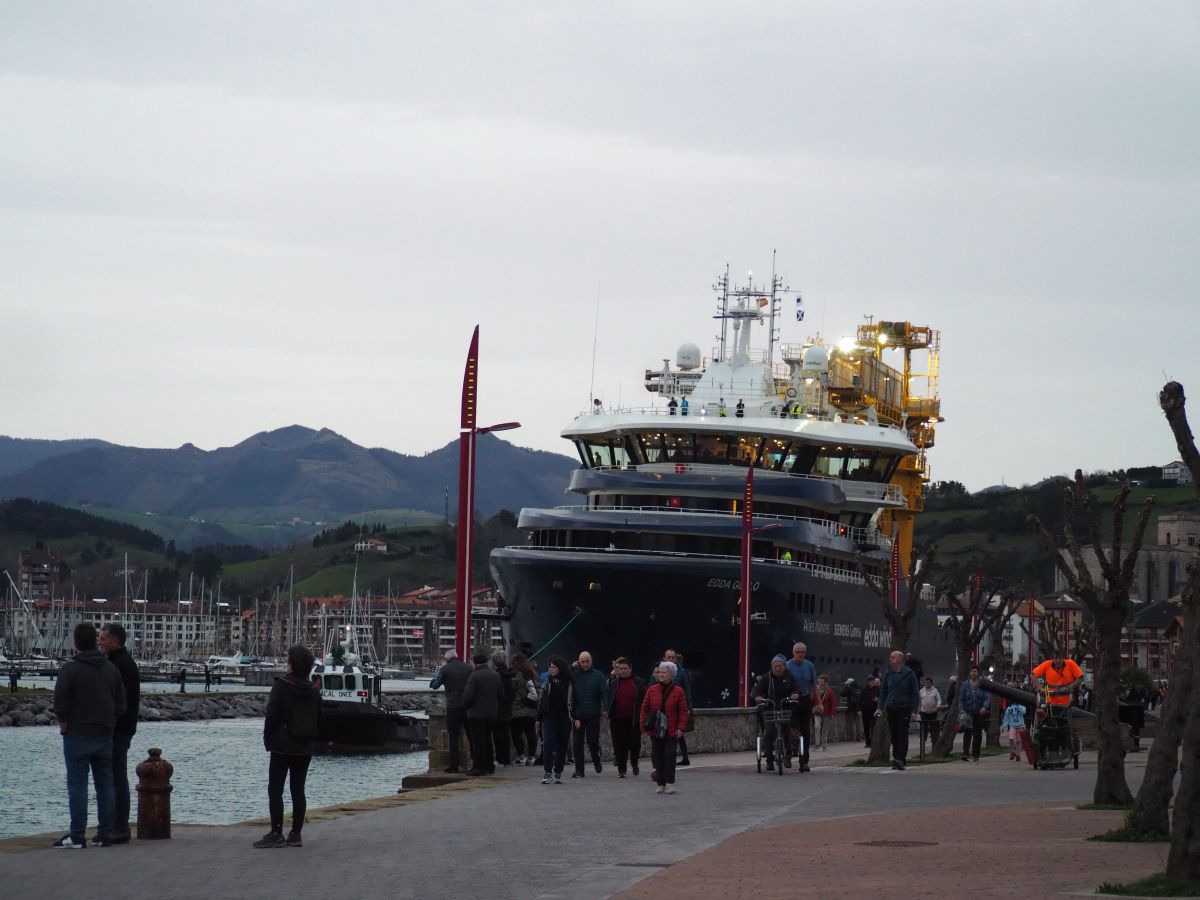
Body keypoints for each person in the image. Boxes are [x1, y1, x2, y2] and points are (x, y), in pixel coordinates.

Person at [52, 622, 126, 849]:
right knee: (105, 785)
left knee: (78, 785)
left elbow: (61, 701)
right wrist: (110, 723)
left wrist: (64, 724)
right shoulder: (111, 669)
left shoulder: (70, 669)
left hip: (77, 734)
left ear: (76, 643)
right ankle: (105, 833)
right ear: (95, 641)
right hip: (104, 735)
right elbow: (121, 704)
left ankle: (77, 835)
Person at [254, 644, 320, 848]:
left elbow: (272, 714)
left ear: (291, 664)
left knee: (275, 789)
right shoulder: (314, 690)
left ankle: (276, 832)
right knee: (298, 790)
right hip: (304, 746)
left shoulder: (282, 686)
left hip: (282, 745)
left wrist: (268, 739)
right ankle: (296, 834)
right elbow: (320, 718)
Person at [99, 623, 140, 844]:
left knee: (117, 777)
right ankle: (116, 823)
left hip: (118, 729)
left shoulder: (119, 665)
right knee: (115, 776)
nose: (100, 642)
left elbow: (118, 700)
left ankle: (120, 825)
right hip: (123, 727)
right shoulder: (123, 662)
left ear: (115, 641)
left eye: (103, 638)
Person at [641, 660, 689, 794]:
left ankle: (669, 783)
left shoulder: (678, 691)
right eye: (660, 672)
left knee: (670, 755)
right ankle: (660, 783)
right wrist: (643, 726)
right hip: (656, 730)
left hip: (671, 730)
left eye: (664, 672)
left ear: (671, 674)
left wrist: (681, 728)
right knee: (658, 756)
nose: (661, 675)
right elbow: (644, 709)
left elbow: (683, 711)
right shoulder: (652, 689)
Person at [430, 649, 473, 773]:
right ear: (457, 657)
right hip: (468, 705)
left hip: (453, 706)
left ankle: (454, 765)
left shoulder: (444, 670)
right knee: (471, 735)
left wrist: (433, 680)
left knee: (453, 736)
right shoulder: (468, 668)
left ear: (447, 659)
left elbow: (435, 685)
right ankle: (476, 762)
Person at [876, 650, 919, 770]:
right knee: (894, 735)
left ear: (900, 659)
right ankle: (896, 758)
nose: (890, 659)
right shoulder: (888, 674)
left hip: (904, 708)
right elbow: (883, 691)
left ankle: (901, 759)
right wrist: (880, 707)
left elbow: (915, 693)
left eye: (893, 657)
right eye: (890, 657)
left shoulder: (909, 674)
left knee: (902, 734)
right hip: (891, 707)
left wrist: (914, 711)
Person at [753, 655, 797, 771]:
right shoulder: (765, 678)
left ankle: (788, 753)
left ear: (784, 667)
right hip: (769, 708)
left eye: (780, 666)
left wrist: (795, 694)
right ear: (772, 667)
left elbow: (796, 688)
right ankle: (769, 760)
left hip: (785, 707)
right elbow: (756, 690)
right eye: (775, 666)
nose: (777, 668)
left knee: (787, 729)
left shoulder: (789, 677)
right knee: (768, 732)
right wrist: (757, 696)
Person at [463, 653, 503, 776]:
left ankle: (479, 767)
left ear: (475, 663)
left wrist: (467, 706)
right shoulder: (496, 675)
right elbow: (501, 694)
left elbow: (468, 695)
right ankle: (490, 766)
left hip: (476, 714)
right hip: (491, 713)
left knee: (477, 741)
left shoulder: (474, 676)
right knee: (488, 739)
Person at [570, 650, 608, 777]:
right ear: (578, 662)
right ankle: (579, 770)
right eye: (582, 662)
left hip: (593, 713)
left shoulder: (598, 675)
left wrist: (605, 708)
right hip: (578, 715)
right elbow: (564, 677)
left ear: (591, 662)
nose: (585, 664)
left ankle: (596, 760)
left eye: (587, 661)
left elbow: (604, 692)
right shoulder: (574, 675)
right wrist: (571, 667)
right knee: (577, 743)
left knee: (592, 741)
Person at [607, 657, 646, 777]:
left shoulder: (639, 682)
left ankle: (634, 762)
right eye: (621, 669)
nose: (623, 671)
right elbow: (608, 697)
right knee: (619, 745)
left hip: (633, 719)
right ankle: (621, 769)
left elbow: (645, 699)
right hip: (617, 719)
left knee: (635, 743)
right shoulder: (614, 683)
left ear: (630, 669)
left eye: (625, 669)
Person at [536, 656, 573, 784]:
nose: (550, 669)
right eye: (550, 667)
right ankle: (547, 772)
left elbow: (575, 700)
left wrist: (577, 717)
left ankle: (558, 771)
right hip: (549, 716)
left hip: (564, 717)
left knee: (562, 746)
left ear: (560, 668)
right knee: (548, 743)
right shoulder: (547, 682)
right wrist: (538, 718)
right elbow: (542, 700)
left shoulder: (569, 683)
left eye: (553, 667)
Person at [785, 642, 817, 771]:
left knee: (806, 731)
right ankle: (788, 752)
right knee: (791, 728)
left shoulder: (809, 666)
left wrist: (818, 702)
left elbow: (813, 685)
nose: (800, 654)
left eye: (802, 652)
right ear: (793, 652)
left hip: (805, 700)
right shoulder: (787, 666)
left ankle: (804, 761)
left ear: (805, 653)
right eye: (797, 652)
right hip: (791, 700)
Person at [664, 649, 694, 765]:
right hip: (664, 706)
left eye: (673, 657)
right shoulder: (660, 669)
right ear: (664, 658)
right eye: (669, 657)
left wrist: (689, 707)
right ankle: (681, 757)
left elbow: (687, 690)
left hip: (677, 707)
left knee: (678, 732)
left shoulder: (681, 672)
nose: (671, 659)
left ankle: (679, 757)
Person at [510, 654, 540, 766]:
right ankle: (532, 756)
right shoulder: (534, 674)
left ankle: (521, 756)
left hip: (518, 709)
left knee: (516, 733)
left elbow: (512, 691)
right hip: (532, 709)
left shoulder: (516, 676)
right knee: (531, 733)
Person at [958, 664, 990, 762]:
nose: (973, 673)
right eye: (971, 671)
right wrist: (962, 710)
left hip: (979, 713)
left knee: (977, 734)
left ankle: (976, 754)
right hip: (968, 712)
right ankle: (965, 753)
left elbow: (986, 697)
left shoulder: (982, 684)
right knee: (967, 733)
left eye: (975, 671)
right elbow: (961, 700)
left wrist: (984, 707)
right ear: (969, 673)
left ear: (978, 673)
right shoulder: (965, 685)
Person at [491, 651, 517, 767]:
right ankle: (506, 759)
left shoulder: (495, 675)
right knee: (506, 735)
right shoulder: (510, 675)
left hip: (497, 709)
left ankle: (500, 759)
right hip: (508, 709)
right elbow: (512, 694)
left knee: (498, 736)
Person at [813, 674, 836, 751]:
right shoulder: (815, 689)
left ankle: (824, 745)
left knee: (825, 730)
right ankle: (817, 744)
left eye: (822, 681)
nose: (820, 682)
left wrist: (832, 713)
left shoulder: (829, 691)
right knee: (817, 727)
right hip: (817, 712)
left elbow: (833, 703)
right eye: (819, 681)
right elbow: (812, 700)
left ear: (825, 682)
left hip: (826, 712)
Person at [918, 677, 942, 746]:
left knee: (933, 728)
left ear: (931, 683)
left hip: (933, 712)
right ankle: (923, 742)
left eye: (928, 683)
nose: (927, 684)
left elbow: (939, 699)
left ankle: (934, 743)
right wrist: (919, 709)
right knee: (924, 728)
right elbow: (918, 700)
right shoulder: (921, 691)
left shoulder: (935, 690)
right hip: (924, 712)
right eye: (925, 683)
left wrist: (938, 705)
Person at [860, 676, 879, 747]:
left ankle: (874, 742)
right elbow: (861, 700)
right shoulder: (864, 689)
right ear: (868, 682)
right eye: (872, 681)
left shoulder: (878, 689)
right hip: (865, 711)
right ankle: (868, 743)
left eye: (874, 681)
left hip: (875, 710)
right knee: (866, 727)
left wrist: (878, 699)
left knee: (875, 727)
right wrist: (860, 709)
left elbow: (881, 697)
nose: (873, 683)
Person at [841, 677, 862, 743]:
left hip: (851, 709)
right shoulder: (859, 689)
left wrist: (845, 686)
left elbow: (842, 694)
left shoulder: (849, 689)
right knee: (858, 723)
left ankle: (854, 739)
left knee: (852, 724)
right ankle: (859, 738)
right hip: (859, 709)